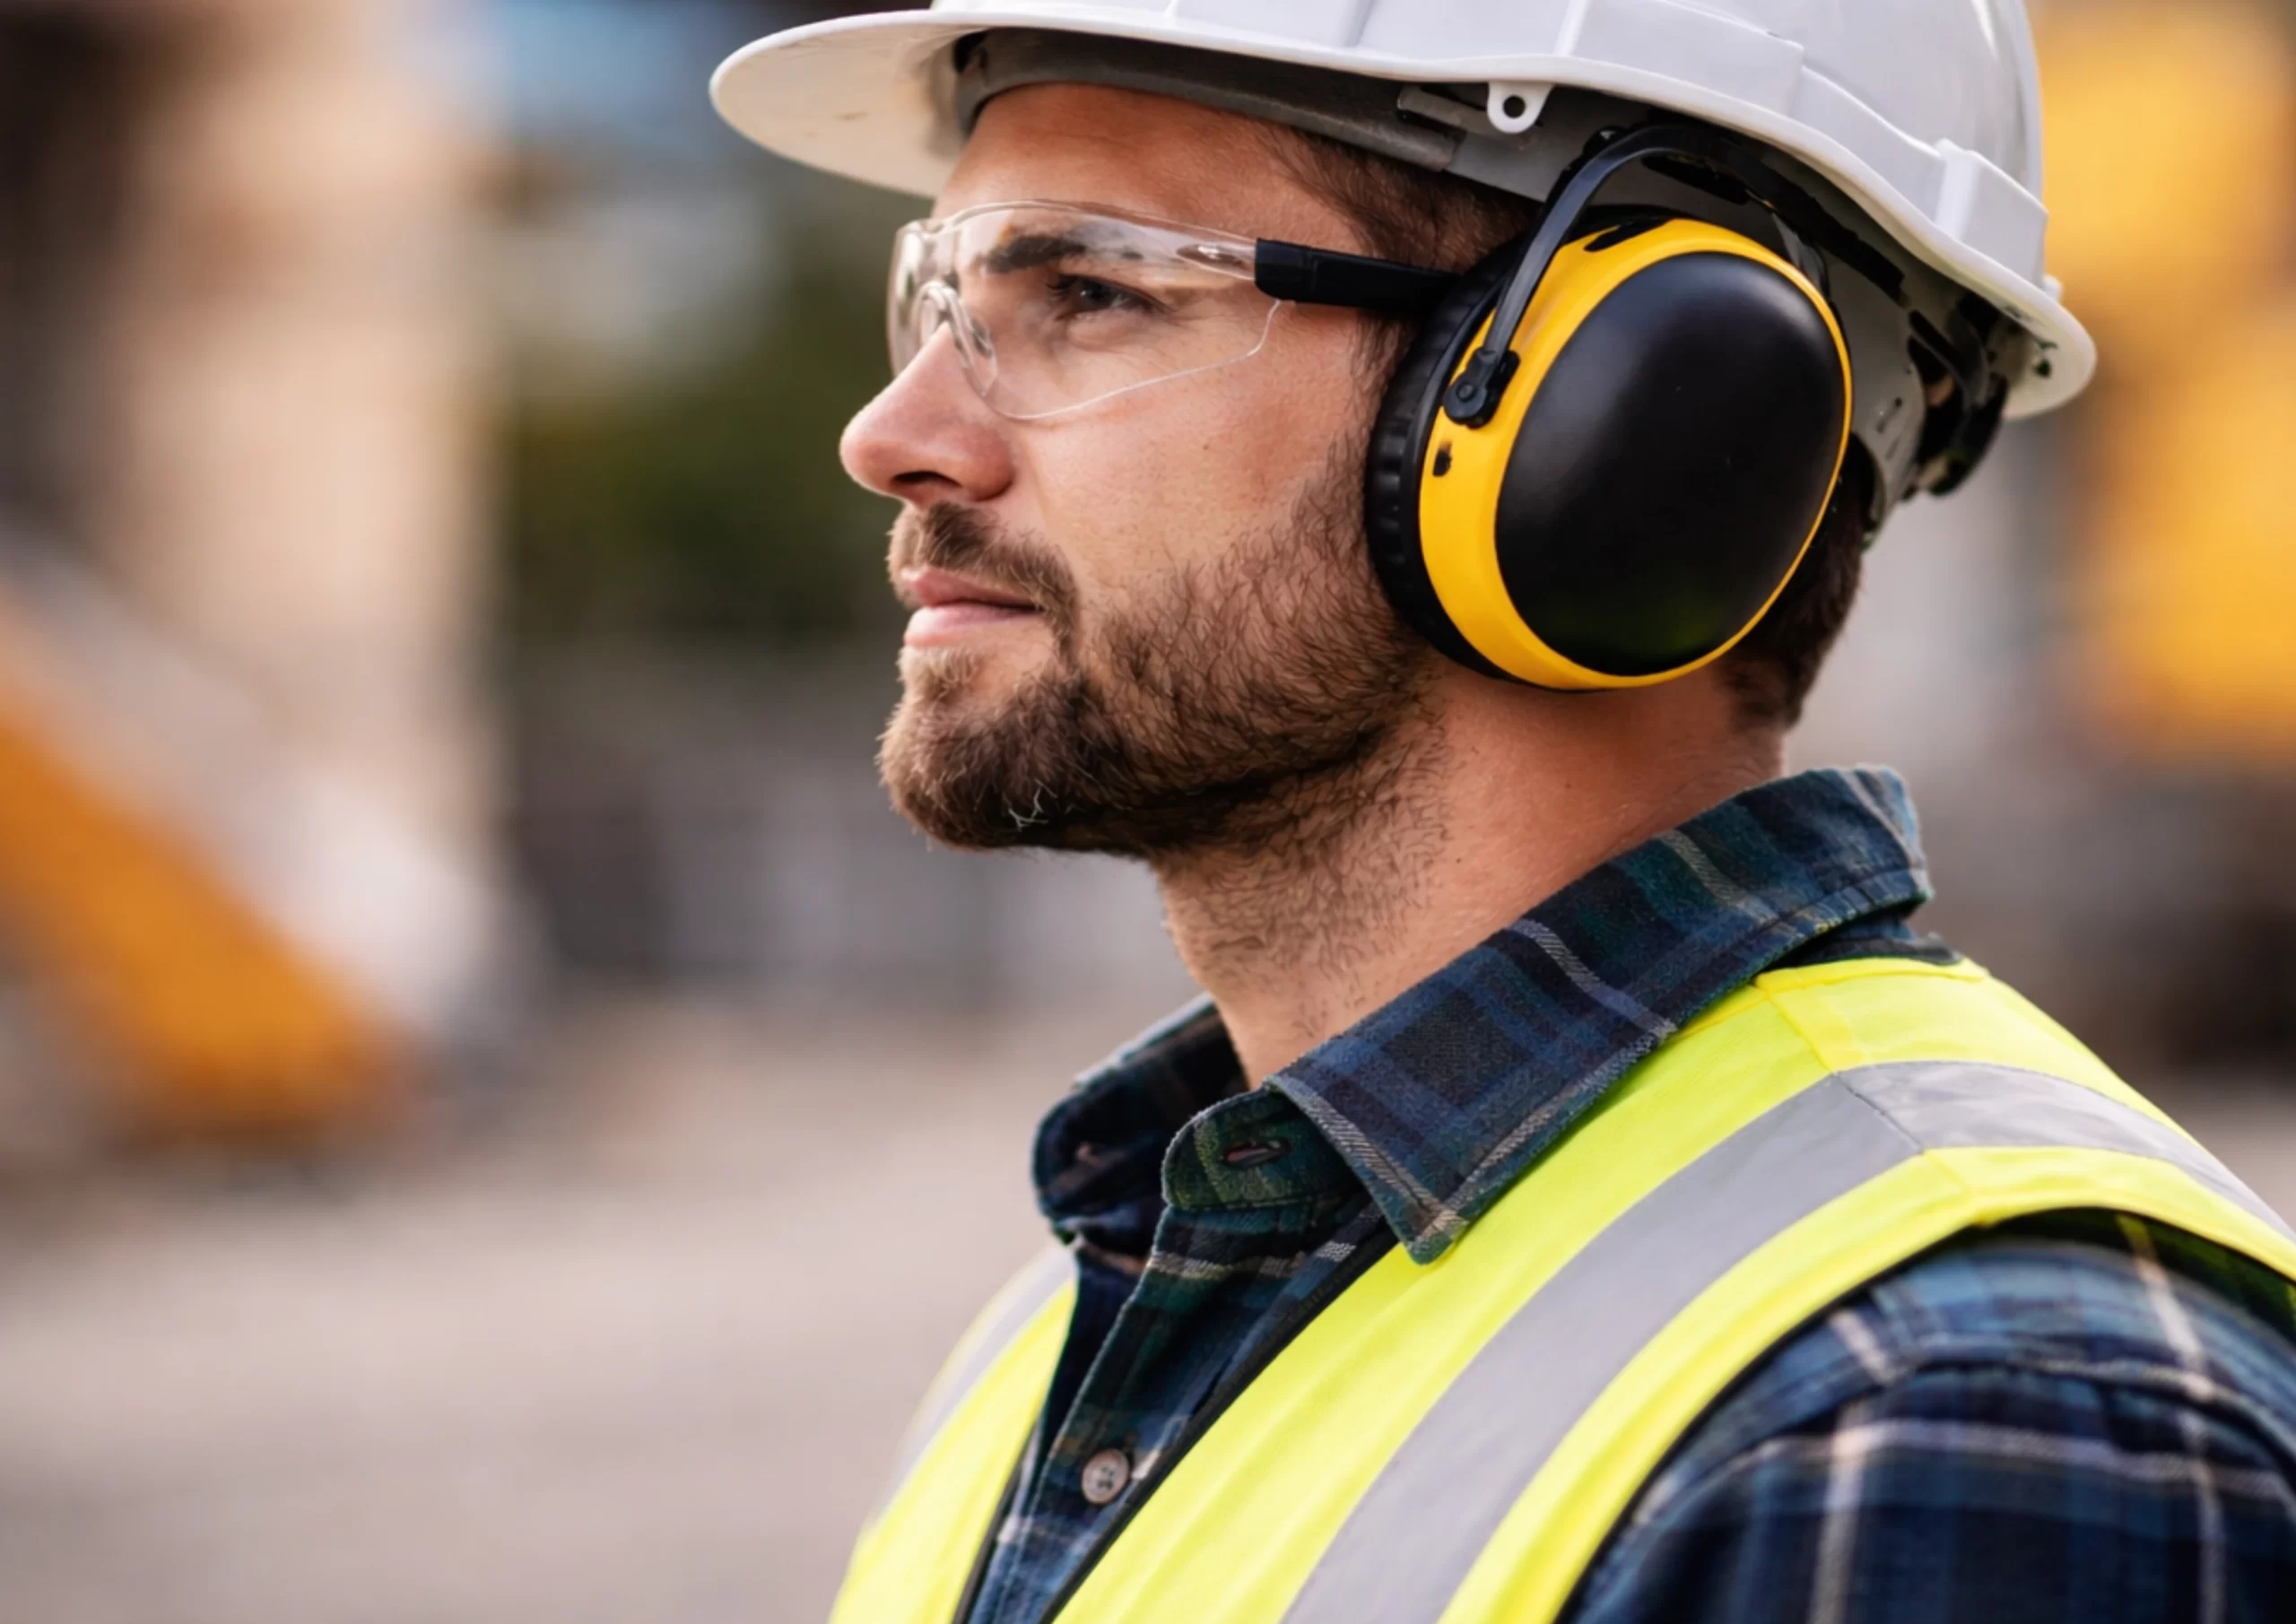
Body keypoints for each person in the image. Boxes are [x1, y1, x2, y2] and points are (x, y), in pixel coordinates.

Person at [712, 6, 2296, 1621]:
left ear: (1628, 415)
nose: (894, 438)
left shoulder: (1947, 1402)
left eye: (1093, 295)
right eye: (939, 299)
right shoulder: (1107, 1304)